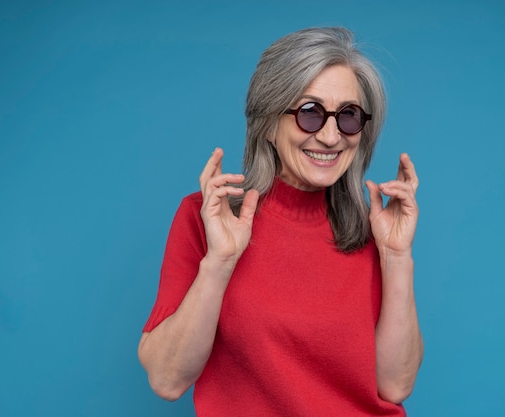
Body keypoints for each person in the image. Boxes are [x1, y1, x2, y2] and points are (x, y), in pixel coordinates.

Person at [138, 27, 423, 416]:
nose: (330, 136)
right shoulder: (208, 217)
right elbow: (166, 379)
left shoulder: (371, 231)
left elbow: (395, 386)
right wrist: (219, 262)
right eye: (310, 113)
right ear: (269, 124)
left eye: (348, 116)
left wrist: (396, 257)